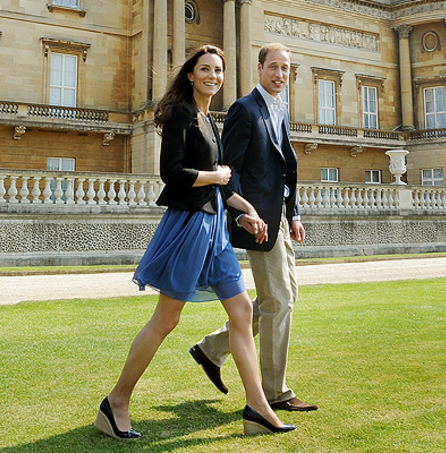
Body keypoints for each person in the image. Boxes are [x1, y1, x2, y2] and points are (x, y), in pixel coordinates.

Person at [94, 44, 295, 439]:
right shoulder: (182, 114)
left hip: (216, 226)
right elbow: (171, 172)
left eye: (218, 71)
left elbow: (220, 184)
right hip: (190, 226)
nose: (213, 77)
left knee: (242, 311)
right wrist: (216, 177)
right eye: (205, 69)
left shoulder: (208, 118)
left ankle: (257, 407)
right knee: (166, 319)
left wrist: (246, 210)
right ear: (190, 74)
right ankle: (115, 402)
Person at [189, 42, 319, 412]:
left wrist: (294, 214)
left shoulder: (281, 109)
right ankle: (275, 393)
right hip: (257, 220)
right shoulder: (245, 109)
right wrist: (243, 214)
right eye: (273, 67)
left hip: (279, 217)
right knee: (279, 300)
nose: (280, 74)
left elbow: (285, 169)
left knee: (281, 297)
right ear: (260, 69)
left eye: (285, 68)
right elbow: (230, 170)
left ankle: (211, 348)